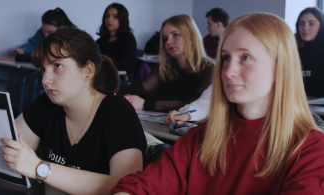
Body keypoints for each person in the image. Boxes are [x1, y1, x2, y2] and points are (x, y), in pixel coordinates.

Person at [112, 13, 324, 194]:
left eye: (246, 57)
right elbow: (143, 186)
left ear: (280, 68)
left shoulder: (312, 150)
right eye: (226, 58)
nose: (227, 72)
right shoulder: (200, 137)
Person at [0, 28, 147, 194]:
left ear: (88, 71)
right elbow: (2, 151)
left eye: (57, 66)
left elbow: (126, 186)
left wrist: (39, 168)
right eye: (43, 70)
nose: (45, 80)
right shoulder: (46, 104)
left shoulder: (119, 114)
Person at [120, 14, 214, 112]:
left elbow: (197, 102)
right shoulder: (165, 68)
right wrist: (119, 96)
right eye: (165, 38)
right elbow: (140, 90)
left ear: (191, 38)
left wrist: (145, 103)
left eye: (175, 35)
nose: (168, 42)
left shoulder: (208, 70)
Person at [96, 3, 137, 74]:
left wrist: (102, 66)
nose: (109, 19)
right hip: (101, 76)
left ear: (122, 19)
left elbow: (128, 64)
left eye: (115, 17)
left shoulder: (128, 38)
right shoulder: (101, 40)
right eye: (107, 16)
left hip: (120, 79)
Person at [296, 7, 324, 97]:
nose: (305, 28)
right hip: (295, 103)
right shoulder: (291, 48)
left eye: (311, 24)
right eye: (301, 23)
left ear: (321, 26)